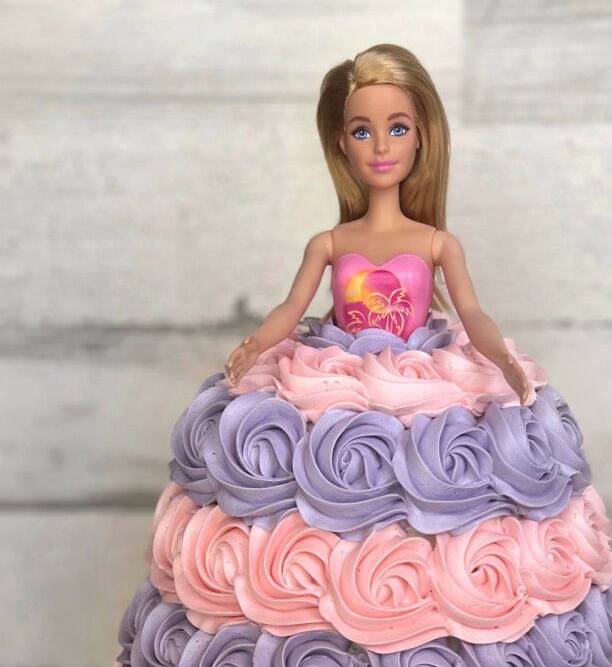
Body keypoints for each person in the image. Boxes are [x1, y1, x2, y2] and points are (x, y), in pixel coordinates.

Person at [226, 43, 530, 405]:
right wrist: (257, 343)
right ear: (342, 145)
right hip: (339, 382)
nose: (381, 147)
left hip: (416, 382)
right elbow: (292, 308)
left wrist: (501, 357)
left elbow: (472, 313)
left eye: (398, 129)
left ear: (420, 137)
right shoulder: (328, 244)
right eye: (362, 132)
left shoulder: (439, 244)